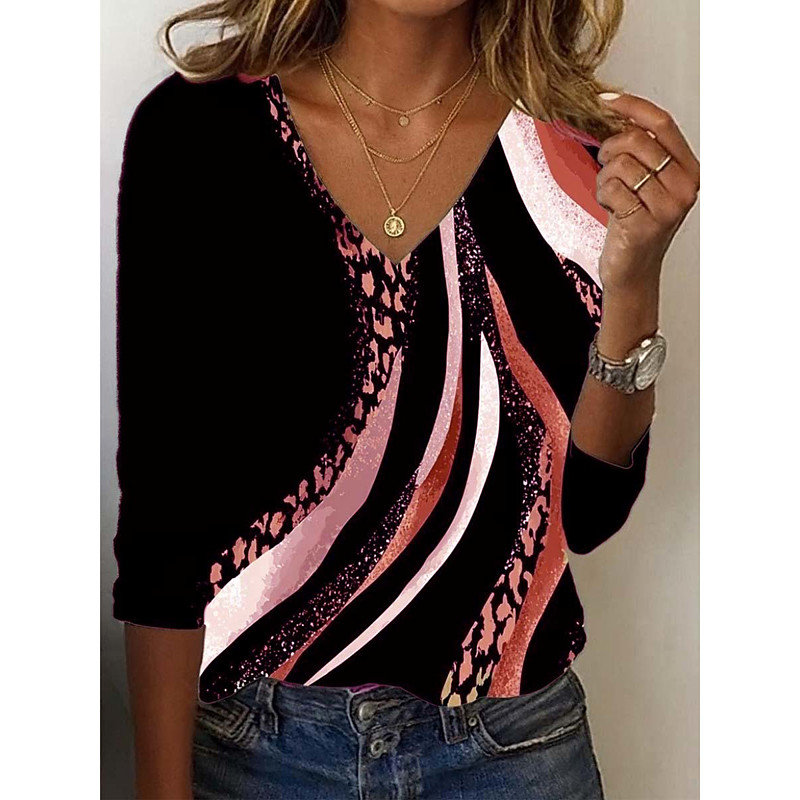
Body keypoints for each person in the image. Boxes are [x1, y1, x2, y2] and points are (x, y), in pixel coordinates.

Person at [111, 1, 699, 797]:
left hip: (512, 752)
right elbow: (165, 513)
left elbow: (590, 512)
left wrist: (635, 279)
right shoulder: (200, 132)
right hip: (256, 749)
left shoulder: (577, 153)